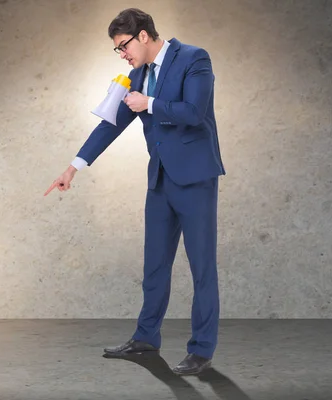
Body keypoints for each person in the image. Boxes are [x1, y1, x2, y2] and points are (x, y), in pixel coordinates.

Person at [45, 8, 225, 375]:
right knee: (154, 265)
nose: (122, 54)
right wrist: (73, 167)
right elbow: (110, 125)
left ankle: (201, 350)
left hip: (195, 179)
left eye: (123, 46)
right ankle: (146, 338)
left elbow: (195, 111)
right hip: (160, 180)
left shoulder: (194, 58)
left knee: (202, 267)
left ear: (143, 36)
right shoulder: (136, 76)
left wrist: (151, 104)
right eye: (118, 50)